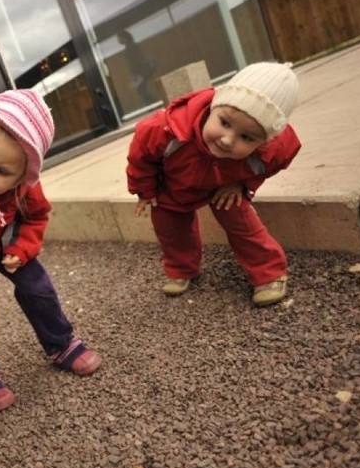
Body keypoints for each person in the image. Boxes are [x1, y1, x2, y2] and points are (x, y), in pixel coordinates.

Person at [0, 89, 102, 413]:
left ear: (23, 175)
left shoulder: (25, 187)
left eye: (1, 171)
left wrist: (21, 248)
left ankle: (61, 343)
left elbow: (36, 216)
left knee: (37, 286)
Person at [126, 62, 301, 307]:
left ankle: (269, 272)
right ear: (213, 108)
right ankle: (181, 268)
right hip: (174, 183)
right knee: (169, 226)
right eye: (225, 123)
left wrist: (243, 186)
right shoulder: (167, 129)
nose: (228, 140)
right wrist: (144, 190)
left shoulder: (271, 149)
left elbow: (273, 162)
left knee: (242, 222)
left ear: (262, 141)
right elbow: (140, 156)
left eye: (246, 137)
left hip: (224, 184)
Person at [117, 30, 157, 105]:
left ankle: (154, 104)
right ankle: (153, 105)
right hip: (140, 72)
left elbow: (136, 61)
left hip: (141, 72)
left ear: (124, 38)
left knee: (142, 92)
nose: (118, 40)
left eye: (119, 38)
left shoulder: (131, 47)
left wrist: (137, 74)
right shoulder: (130, 47)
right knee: (142, 92)